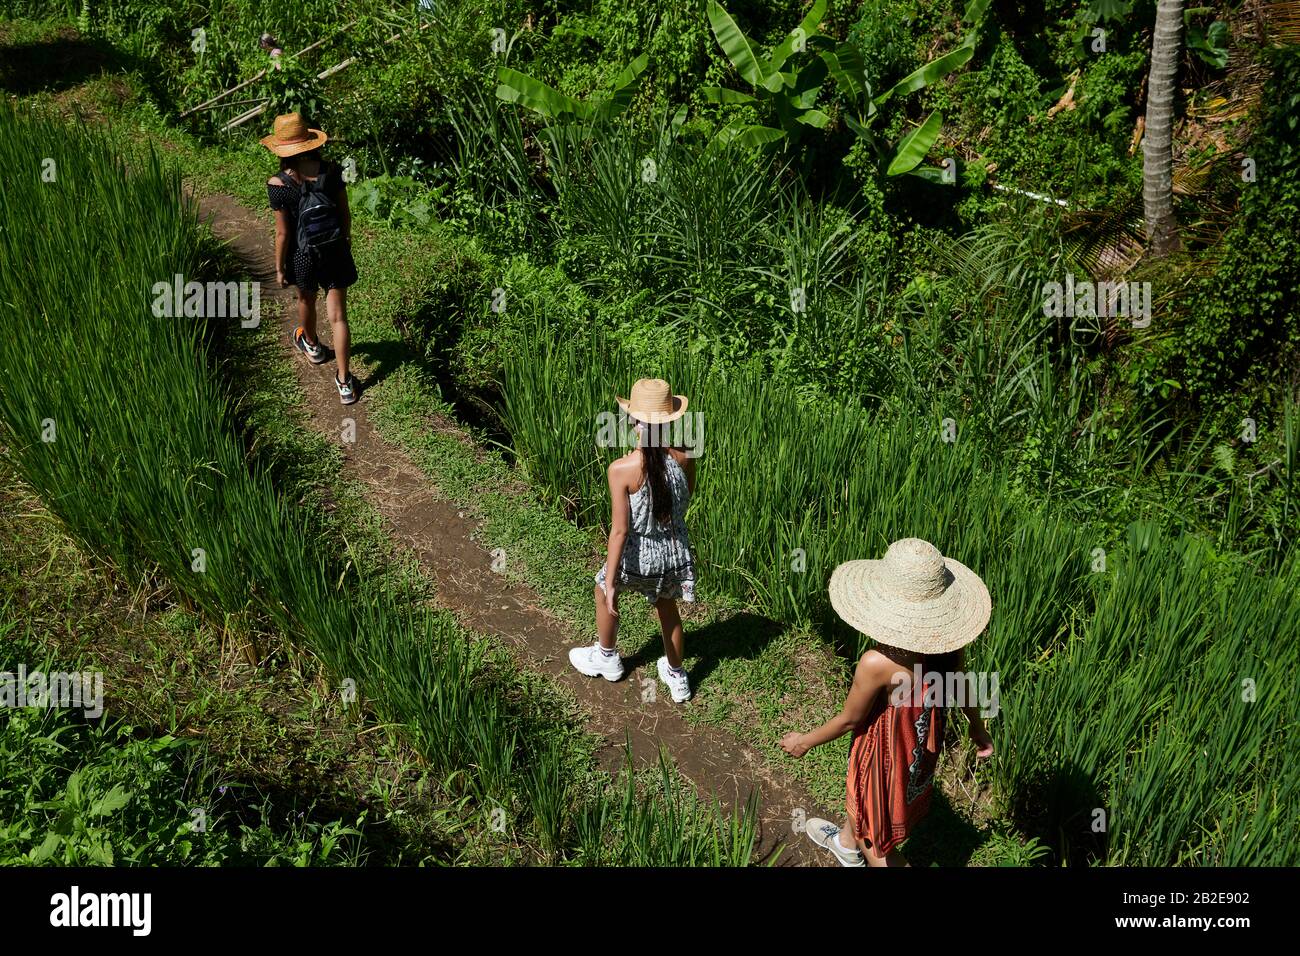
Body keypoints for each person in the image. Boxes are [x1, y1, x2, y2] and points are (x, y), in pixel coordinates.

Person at [781, 538, 995, 867]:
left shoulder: (876, 663)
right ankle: (846, 846)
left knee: (876, 843)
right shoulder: (945, 649)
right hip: (917, 750)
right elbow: (962, 684)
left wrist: (803, 741)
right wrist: (978, 727)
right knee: (867, 806)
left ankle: (860, 846)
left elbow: (851, 720)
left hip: (884, 755)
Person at [569, 378, 697, 703]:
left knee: (602, 592)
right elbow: (684, 499)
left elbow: (620, 532)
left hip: (638, 556)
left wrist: (611, 582)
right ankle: (678, 677)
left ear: (637, 423)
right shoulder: (686, 456)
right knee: (667, 608)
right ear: (670, 421)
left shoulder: (622, 468)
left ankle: (608, 657)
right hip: (672, 552)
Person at [260, 112, 359, 405]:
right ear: (310, 141)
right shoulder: (331, 171)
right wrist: (345, 240)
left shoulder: (278, 184)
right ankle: (344, 382)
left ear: (282, 148)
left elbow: (282, 234)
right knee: (339, 317)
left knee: (306, 299)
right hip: (335, 249)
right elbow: (344, 214)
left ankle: (312, 345)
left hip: (304, 255)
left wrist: (279, 268)